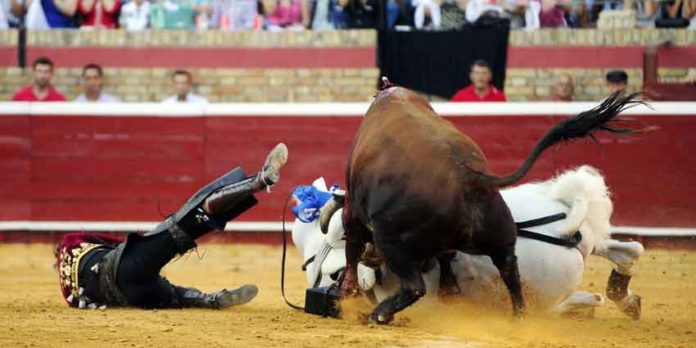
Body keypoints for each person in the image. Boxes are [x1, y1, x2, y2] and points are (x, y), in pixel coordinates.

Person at [56, 143, 289, 310]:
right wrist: (144, 241)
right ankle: (258, 181)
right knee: (185, 223)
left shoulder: (69, 291)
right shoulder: (70, 242)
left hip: (133, 297)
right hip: (126, 267)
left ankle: (212, 299)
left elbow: (79, 303)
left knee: (174, 295)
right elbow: (112, 242)